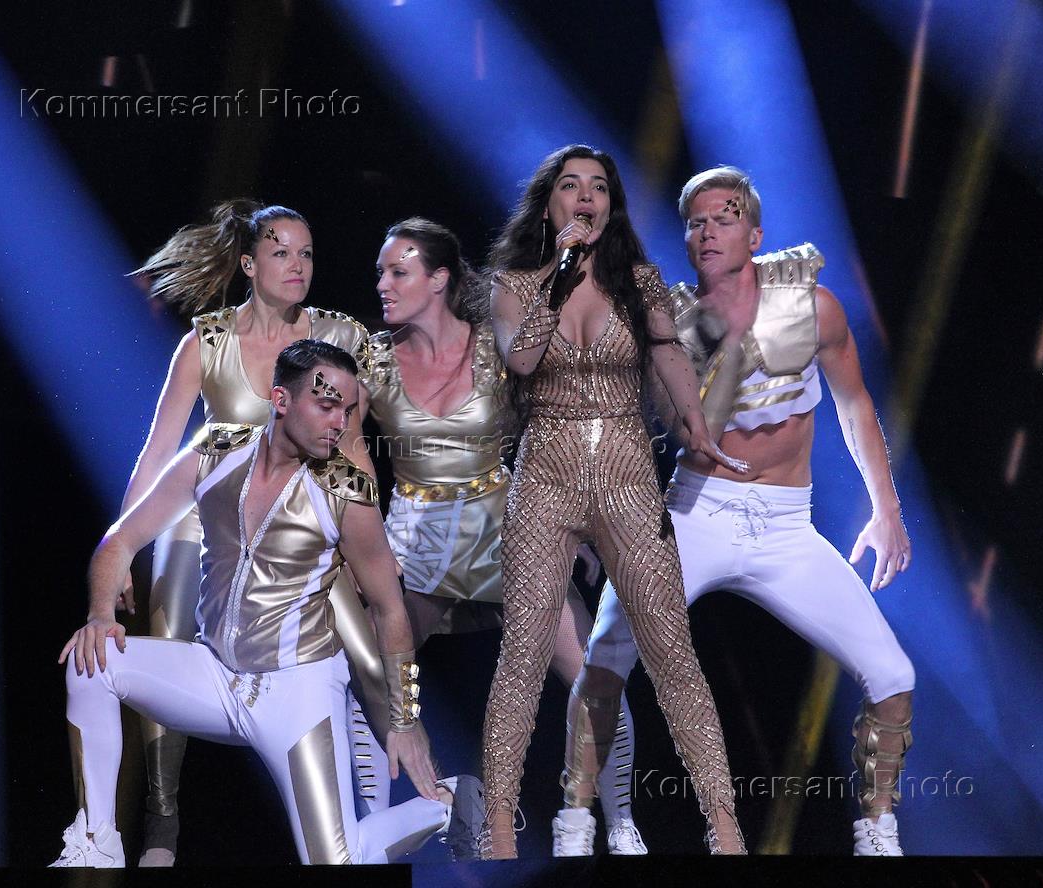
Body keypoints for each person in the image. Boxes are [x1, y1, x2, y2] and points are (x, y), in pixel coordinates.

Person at [575, 166, 915, 856]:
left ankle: (877, 830)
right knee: (604, 658)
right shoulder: (668, 327)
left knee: (894, 676)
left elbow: (855, 404)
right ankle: (582, 820)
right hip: (696, 515)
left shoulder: (814, 309)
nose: (707, 232)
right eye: (696, 223)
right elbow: (660, 428)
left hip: (786, 526)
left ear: (755, 235)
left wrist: (886, 509)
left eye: (723, 219)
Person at [50, 340, 476, 868]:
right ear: (281, 399)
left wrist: (405, 720)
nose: (340, 423)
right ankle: (96, 848)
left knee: (338, 863)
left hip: (297, 693)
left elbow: (390, 609)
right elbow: (120, 540)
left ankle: (448, 805)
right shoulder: (216, 452)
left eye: (347, 410)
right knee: (90, 663)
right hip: (213, 674)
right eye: (327, 405)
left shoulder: (347, 492)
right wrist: (99, 616)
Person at [478, 145, 748, 859]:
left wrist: (696, 425)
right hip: (545, 474)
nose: (586, 196)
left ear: (611, 205)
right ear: (549, 206)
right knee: (524, 651)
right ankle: (501, 824)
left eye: (599, 186)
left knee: (672, 652)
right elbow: (522, 358)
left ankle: (724, 826)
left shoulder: (640, 282)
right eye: (571, 185)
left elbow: (669, 357)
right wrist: (561, 272)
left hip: (627, 473)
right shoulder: (514, 285)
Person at [361, 218, 648, 855]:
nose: (382, 284)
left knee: (594, 675)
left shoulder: (497, 347)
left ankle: (622, 824)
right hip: (417, 543)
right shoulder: (370, 360)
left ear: (439, 279)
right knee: (367, 673)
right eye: (381, 272)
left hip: (505, 530)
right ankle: (388, 822)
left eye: (398, 272)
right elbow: (333, 443)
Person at [124, 201, 394, 864]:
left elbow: (358, 447)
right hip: (207, 518)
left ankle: (383, 808)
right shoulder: (207, 343)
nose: (298, 266)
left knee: (366, 653)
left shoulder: (340, 335)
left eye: (306, 254)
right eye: (281, 253)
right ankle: (162, 819)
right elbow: (159, 452)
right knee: (167, 631)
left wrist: (369, 541)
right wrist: (125, 544)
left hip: (303, 521)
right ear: (248, 264)